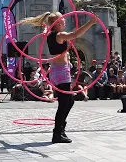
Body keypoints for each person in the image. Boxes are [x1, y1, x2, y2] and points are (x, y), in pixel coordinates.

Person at [20, 11, 98, 143]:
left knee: (69, 101)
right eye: (62, 19)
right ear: (56, 24)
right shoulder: (59, 35)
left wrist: (46, 26)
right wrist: (91, 22)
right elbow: (75, 35)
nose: (64, 21)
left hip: (57, 71)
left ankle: (61, 129)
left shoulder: (49, 35)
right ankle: (57, 133)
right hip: (61, 71)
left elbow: (46, 30)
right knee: (64, 103)